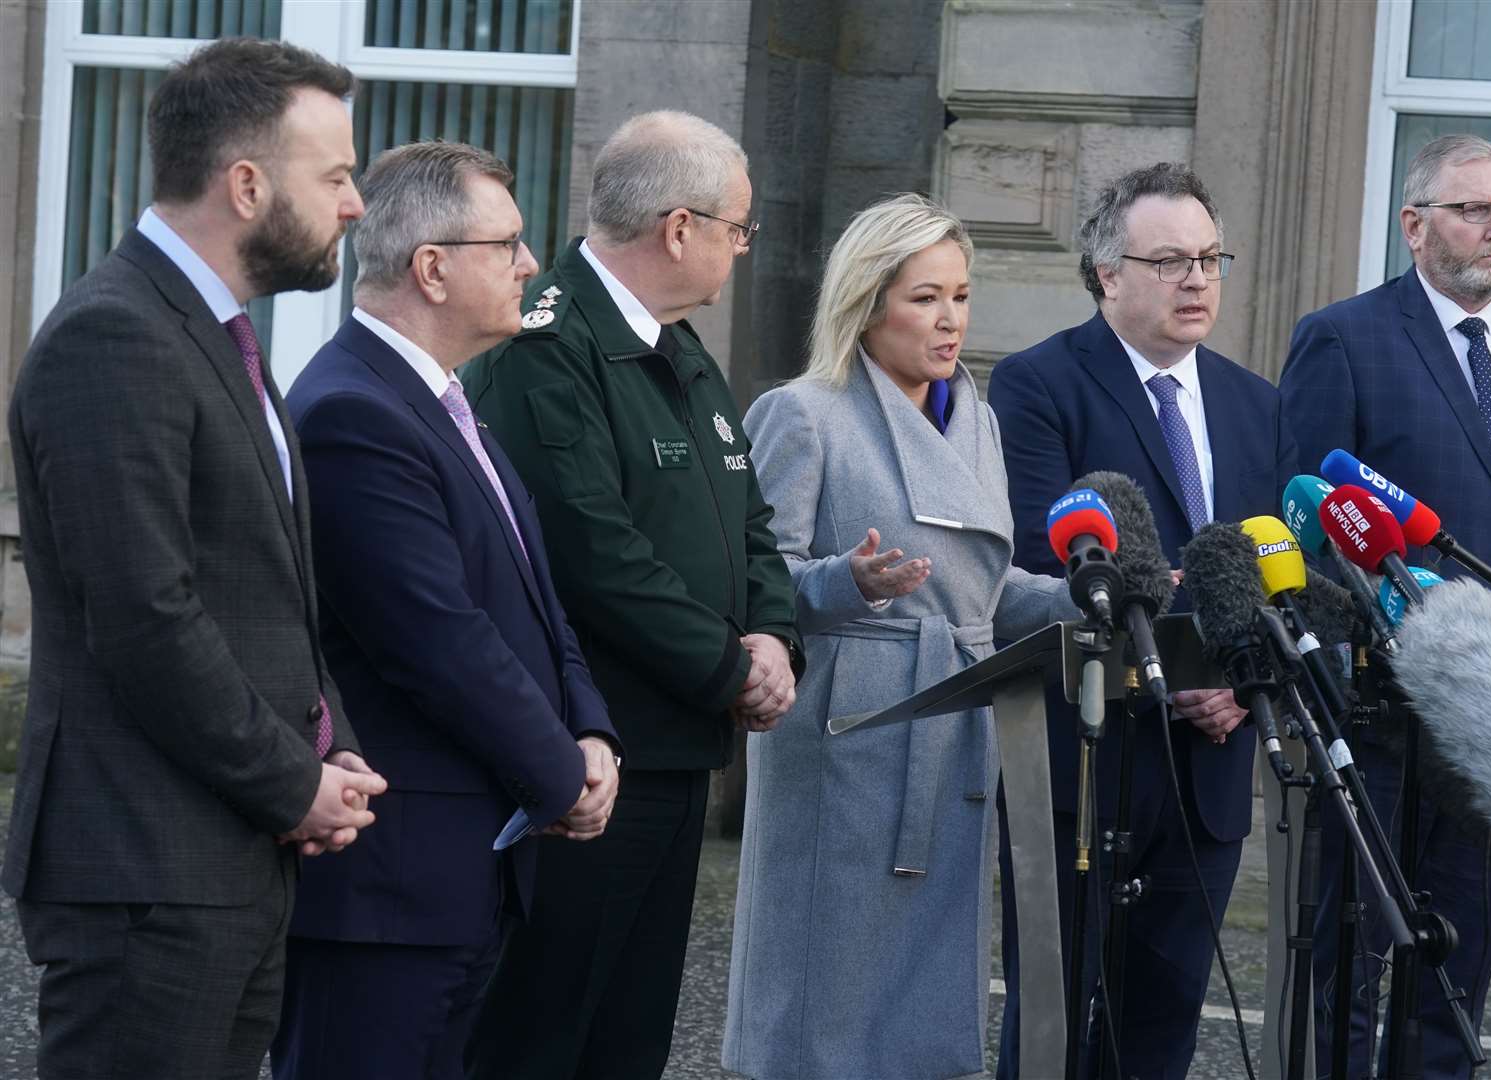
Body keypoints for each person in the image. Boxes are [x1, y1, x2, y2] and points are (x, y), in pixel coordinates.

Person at [2, 38, 385, 1080]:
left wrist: (328, 742)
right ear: (247, 183)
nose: (356, 204)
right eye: (338, 175)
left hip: (226, 860)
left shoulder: (222, 339)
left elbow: (266, 594)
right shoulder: (113, 336)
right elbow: (144, 613)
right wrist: (289, 783)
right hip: (144, 866)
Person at [459, 110, 803, 1078]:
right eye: (738, 227)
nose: (742, 249)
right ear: (679, 227)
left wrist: (774, 633)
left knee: (630, 1033)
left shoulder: (679, 351)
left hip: (677, 744)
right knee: (544, 1027)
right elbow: (589, 550)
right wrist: (729, 665)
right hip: (590, 756)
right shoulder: (545, 347)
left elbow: (749, 522)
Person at [268, 141, 622, 1079]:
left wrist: (590, 730)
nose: (531, 264)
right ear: (432, 267)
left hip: (462, 873)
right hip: (389, 892)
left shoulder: (443, 401)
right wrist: (561, 774)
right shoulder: (354, 411)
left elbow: (539, 602)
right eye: (506, 244)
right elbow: (437, 640)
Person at [1280, 133, 1491, 1079]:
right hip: (1380, 707)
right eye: (1474, 209)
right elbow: (1304, 525)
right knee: (1351, 953)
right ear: (1413, 224)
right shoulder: (1343, 338)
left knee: (1460, 964)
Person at [722, 192, 1078, 1078]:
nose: (949, 319)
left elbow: (986, 594)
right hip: (850, 738)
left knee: (917, 1010)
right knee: (825, 1001)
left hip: (955, 726)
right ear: (868, 299)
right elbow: (753, 585)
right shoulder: (803, 413)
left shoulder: (977, 419)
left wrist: (1095, 601)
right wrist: (851, 580)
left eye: (959, 294)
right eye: (924, 297)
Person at [990, 162, 1299, 1078]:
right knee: (1049, 1035)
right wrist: (1181, 665)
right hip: (1086, 762)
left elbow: (1275, 565)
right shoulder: (1037, 386)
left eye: (1209, 258)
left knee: (1160, 1034)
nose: (1196, 279)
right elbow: (1043, 560)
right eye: (1168, 261)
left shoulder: (1255, 401)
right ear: (1105, 274)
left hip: (1208, 765)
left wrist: (1239, 684)